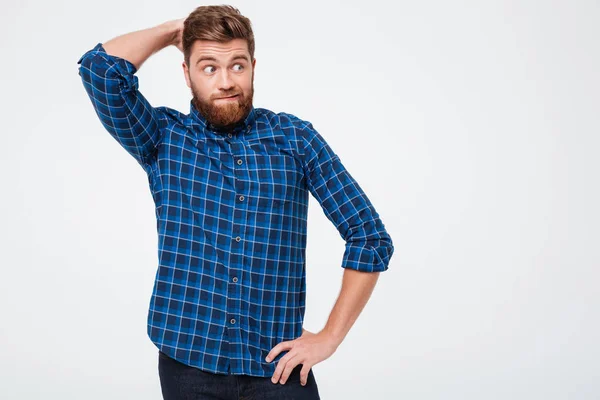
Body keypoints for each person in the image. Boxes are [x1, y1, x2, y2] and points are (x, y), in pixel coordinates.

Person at [77, 4, 394, 399]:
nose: (226, 81)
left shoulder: (295, 139)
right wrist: (173, 30)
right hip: (187, 364)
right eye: (209, 66)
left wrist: (329, 337)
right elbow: (99, 70)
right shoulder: (162, 138)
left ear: (254, 67)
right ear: (187, 73)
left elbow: (369, 236)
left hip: (277, 367)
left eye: (237, 66)